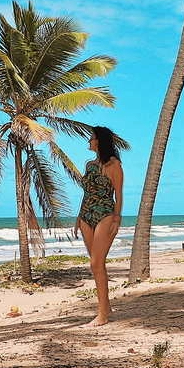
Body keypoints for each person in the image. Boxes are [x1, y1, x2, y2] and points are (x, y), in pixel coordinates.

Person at [76, 125, 122, 327]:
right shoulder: (89, 165)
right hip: (86, 214)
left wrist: (117, 219)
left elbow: (118, 194)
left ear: (100, 141)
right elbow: (86, 193)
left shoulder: (114, 165)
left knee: (96, 263)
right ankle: (106, 307)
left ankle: (102, 315)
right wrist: (79, 217)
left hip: (105, 213)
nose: (89, 141)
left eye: (92, 138)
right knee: (97, 266)